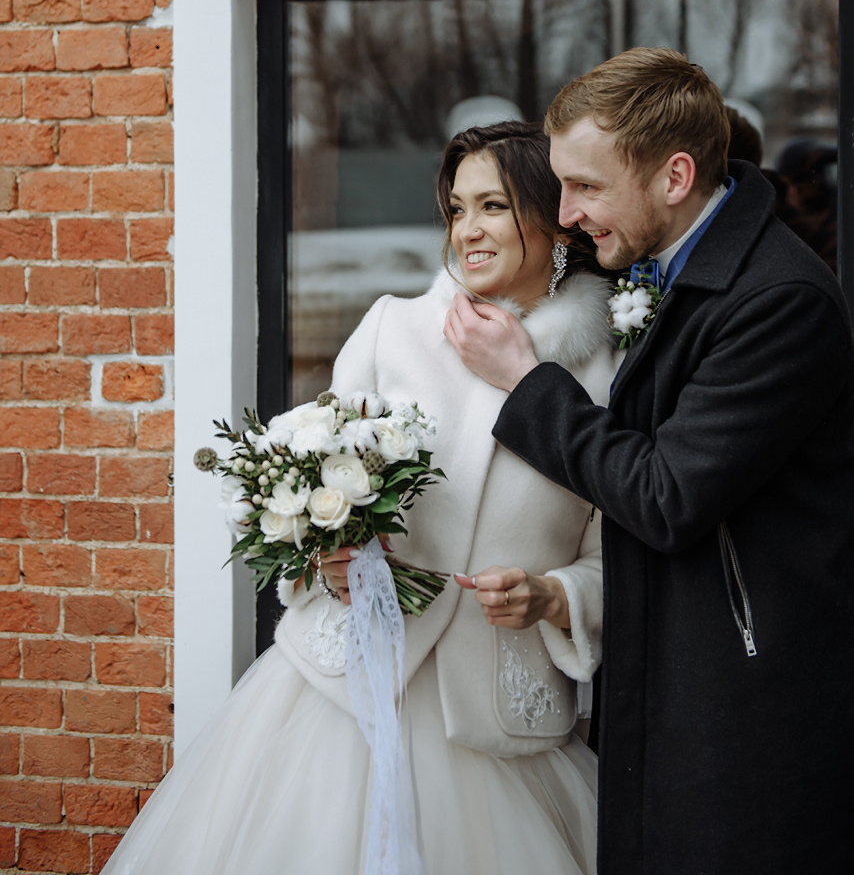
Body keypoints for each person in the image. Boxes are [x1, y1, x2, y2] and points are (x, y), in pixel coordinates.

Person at [102, 121, 619, 875]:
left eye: (494, 206)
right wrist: (328, 558)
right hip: (342, 696)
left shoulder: (607, 374)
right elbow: (315, 486)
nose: (468, 230)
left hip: (496, 718)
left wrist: (551, 595)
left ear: (553, 219)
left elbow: (614, 556)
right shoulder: (393, 329)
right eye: (456, 209)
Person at [445, 49, 854, 875]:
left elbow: (665, 494)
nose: (565, 214)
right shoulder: (660, 270)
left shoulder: (778, 302)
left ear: (674, 177)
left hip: (746, 707)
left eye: (587, 187)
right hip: (669, 682)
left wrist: (530, 384)